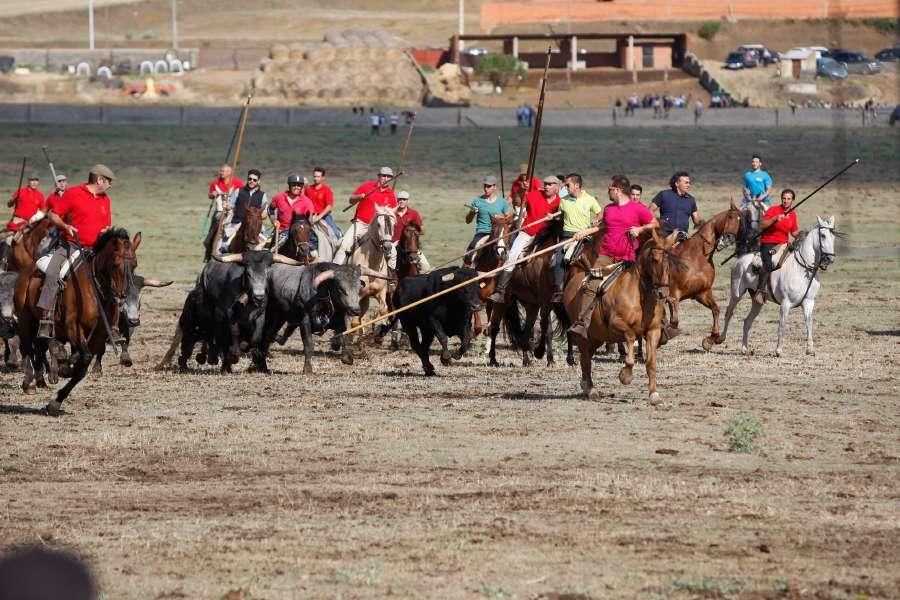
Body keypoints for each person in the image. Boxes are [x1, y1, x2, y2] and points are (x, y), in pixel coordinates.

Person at [568, 174, 659, 340]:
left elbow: (655, 223)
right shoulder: (608, 209)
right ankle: (582, 323)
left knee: (650, 285)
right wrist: (583, 232)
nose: (607, 191)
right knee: (591, 284)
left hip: (629, 258)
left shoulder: (637, 208)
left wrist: (640, 229)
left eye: (610, 188)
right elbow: (603, 226)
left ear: (617, 190)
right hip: (607, 255)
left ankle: (662, 325)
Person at [36, 165, 115, 338]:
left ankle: (114, 324)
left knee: (118, 274)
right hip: (71, 246)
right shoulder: (73, 193)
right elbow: (53, 215)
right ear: (99, 180)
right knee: (52, 271)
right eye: (108, 182)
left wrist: (106, 231)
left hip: (96, 250)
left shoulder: (105, 199)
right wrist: (66, 226)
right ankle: (46, 318)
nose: (110, 185)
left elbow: (107, 224)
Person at [488, 174, 561, 303]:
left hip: (547, 234)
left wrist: (556, 218)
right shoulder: (535, 195)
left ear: (557, 187)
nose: (546, 187)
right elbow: (518, 199)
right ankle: (501, 290)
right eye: (545, 184)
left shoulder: (560, 202)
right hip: (528, 232)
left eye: (550, 185)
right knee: (512, 255)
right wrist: (523, 190)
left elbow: (563, 217)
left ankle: (558, 289)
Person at [552, 173, 601, 303]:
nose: (565, 187)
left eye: (568, 185)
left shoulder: (589, 199)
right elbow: (560, 217)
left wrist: (596, 218)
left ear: (577, 185)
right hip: (568, 236)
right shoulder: (564, 200)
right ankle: (559, 290)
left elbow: (599, 212)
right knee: (558, 260)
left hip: (585, 235)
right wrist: (553, 217)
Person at [335, 166, 398, 267]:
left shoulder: (391, 195)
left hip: (378, 228)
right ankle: (335, 271)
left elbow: (392, 216)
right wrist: (359, 197)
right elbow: (351, 199)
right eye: (383, 176)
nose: (386, 178)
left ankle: (390, 278)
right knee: (344, 245)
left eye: (388, 177)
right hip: (361, 223)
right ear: (379, 176)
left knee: (393, 252)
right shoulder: (367, 186)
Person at [755, 189, 799, 303]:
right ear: (781, 199)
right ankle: (760, 291)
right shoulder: (773, 210)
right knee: (768, 263)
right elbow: (762, 224)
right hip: (768, 243)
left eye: (788, 199)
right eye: (784, 198)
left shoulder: (793, 214)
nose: (786, 201)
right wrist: (774, 219)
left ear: (792, 200)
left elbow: (794, 232)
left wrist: (804, 235)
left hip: (784, 244)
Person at [464, 175, 512, 268]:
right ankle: (466, 271)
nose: (486, 188)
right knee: (470, 251)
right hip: (483, 233)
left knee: (509, 251)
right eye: (485, 186)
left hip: (498, 233)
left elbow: (508, 219)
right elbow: (468, 221)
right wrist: (472, 213)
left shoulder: (502, 202)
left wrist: (501, 217)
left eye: (489, 186)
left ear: (495, 187)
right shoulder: (477, 201)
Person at [223, 169, 270, 250]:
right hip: (237, 223)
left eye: (254, 180)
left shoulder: (263, 195)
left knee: (267, 244)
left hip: (254, 226)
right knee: (223, 244)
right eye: (250, 179)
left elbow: (265, 212)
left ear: (258, 181)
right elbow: (230, 205)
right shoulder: (238, 191)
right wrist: (226, 206)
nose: (252, 181)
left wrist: (260, 216)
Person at [269, 174, 315, 250]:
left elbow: (310, 219)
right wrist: (273, 220)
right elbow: (270, 209)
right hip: (281, 230)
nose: (296, 187)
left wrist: (309, 223)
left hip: (300, 232)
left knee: (314, 252)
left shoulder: (307, 202)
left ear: (302, 187)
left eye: (299, 185)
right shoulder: (279, 197)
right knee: (269, 250)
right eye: (294, 185)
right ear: (289, 185)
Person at [650, 171, 701, 238]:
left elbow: (696, 220)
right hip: (664, 236)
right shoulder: (664, 195)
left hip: (683, 237)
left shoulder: (691, 200)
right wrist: (657, 222)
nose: (688, 185)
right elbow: (649, 211)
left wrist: (706, 225)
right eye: (686, 183)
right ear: (677, 183)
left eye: (689, 183)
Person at [393, 190, 431, 272]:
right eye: (400, 199)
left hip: (410, 246)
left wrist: (412, 233)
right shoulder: (392, 213)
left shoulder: (414, 214)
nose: (401, 201)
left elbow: (422, 231)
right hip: (394, 244)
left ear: (408, 201)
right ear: (397, 200)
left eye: (404, 199)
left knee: (426, 267)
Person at [306, 167, 341, 237]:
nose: (316, 178)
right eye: (315, 176)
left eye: (318, 177)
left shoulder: (327, 190)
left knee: (336, 233)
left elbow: (329, 206)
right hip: (309, 216)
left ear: (323, 178)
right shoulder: (308, 189)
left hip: (324, 216)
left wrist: (319, 217)